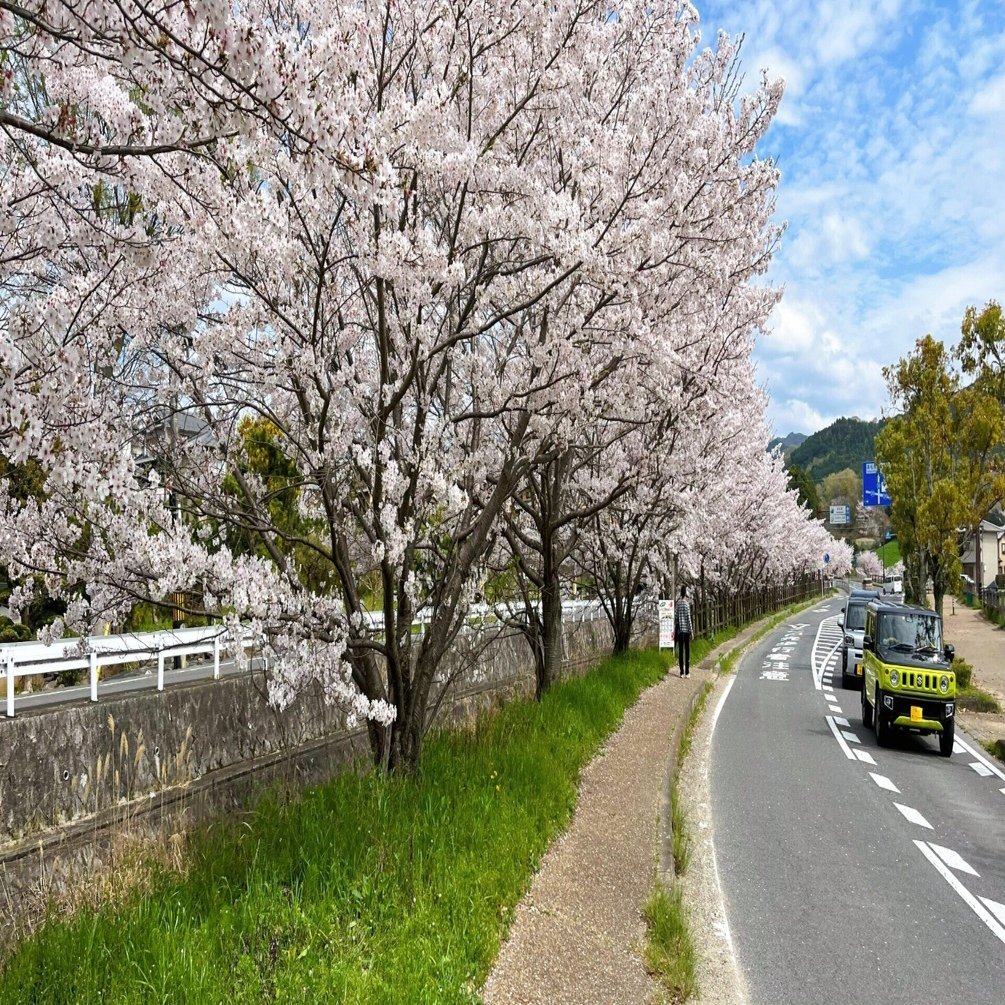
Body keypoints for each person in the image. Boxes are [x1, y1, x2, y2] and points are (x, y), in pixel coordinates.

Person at [675, 584, 692, 678]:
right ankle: (687, 672)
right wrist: (692, 631)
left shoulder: (678, 604)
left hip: (680, 631)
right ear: (686, 593)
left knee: (681, 651)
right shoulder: (686, 604)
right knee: (687, 651)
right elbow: (688, 618)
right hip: (686, 631)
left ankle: (681, 672)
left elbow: (676, 617)